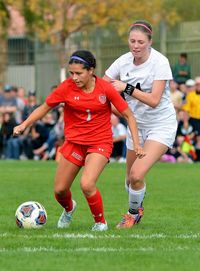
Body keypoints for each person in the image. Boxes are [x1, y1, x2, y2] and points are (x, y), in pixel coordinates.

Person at [13, 50, 145, 231]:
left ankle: (100, 223)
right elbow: (44, 108)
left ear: (91, 71)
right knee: (60, 191)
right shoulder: (66, 88)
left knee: (87, 184)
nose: (74, 77)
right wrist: (24, 125)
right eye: (71, 73)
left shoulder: (105, 89)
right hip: (74, 143)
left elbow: (129, 115)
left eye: (78, 73)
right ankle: (69, 209)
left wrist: (137, 144)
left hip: (100, 143)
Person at [103, 20, 177, 229]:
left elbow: (154, 100)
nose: (135, 46)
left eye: (141, 42)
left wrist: (126, 88)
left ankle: (133, 214)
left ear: (149, 42)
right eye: (132, 41)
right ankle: (137, 207)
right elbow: (103, 85)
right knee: (129, 180)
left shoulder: (160, 62)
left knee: (137, 174)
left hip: (160, 124)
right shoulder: (123, 61)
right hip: (136, 126)